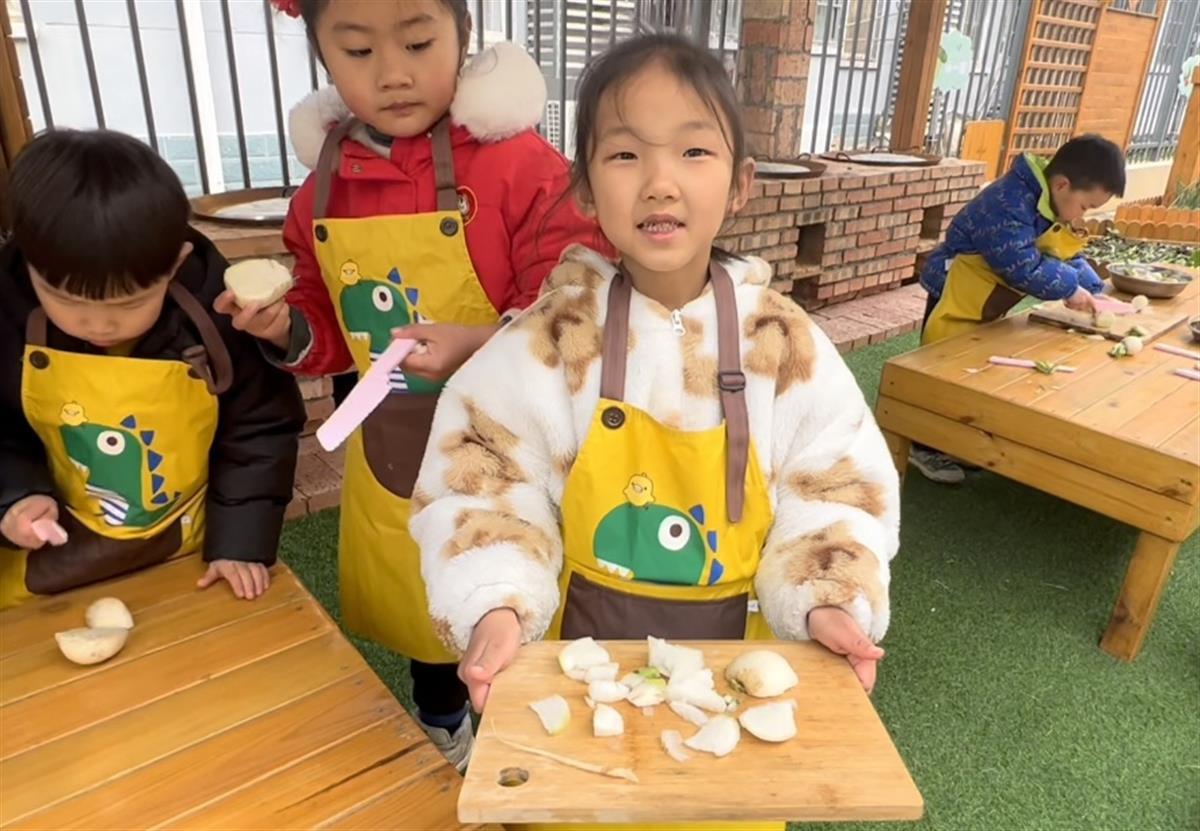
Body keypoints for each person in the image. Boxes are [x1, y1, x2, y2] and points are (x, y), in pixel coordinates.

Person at [412, 32, 899, 743]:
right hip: (580, 672)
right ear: (585, 187)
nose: (660, 182)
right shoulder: (552, 340)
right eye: (625, 154)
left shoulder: (783, 344)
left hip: (737, 680)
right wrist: (496, 603)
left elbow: (838, 489)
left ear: (740, 183)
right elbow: (481, 481)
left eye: (694, 151)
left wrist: (829, 597)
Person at [218, 0, 603, 770]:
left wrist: (478, 344)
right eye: (358, 51)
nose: (392, 74)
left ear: (463, 35)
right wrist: (286, 327)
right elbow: (325, 322)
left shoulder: (522, 167)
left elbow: (572, 303)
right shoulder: (322, 190)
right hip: (394, 446)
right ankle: (443, 726)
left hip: (514, 448)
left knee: (519, 591)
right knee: (424, 602)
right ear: (322, 55)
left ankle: (532, 735)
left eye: (419, 42)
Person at [0, 129, 304, 609]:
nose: (98, 324)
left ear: (175, 264)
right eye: (66, 300)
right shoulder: (7, 314)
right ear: (30, 265)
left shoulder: (212, 314)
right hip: (47, 564)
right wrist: (15, 498)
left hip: (187, 553)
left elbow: (259, 426)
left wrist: (240, 542)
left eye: (129, 304)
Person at [913, 135, 1126, 484]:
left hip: (985, 297)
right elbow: (1021, 265)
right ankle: (922, 444)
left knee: (971, 369)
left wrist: (1095, 289)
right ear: (1063, 185)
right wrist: (1069, 289)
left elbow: (1064, 253)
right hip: (954, 290)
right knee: (937, 368)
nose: (1083, 215)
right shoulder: (1009, 203)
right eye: (1086, 207)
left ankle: (952, 439)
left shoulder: (1050, 201)